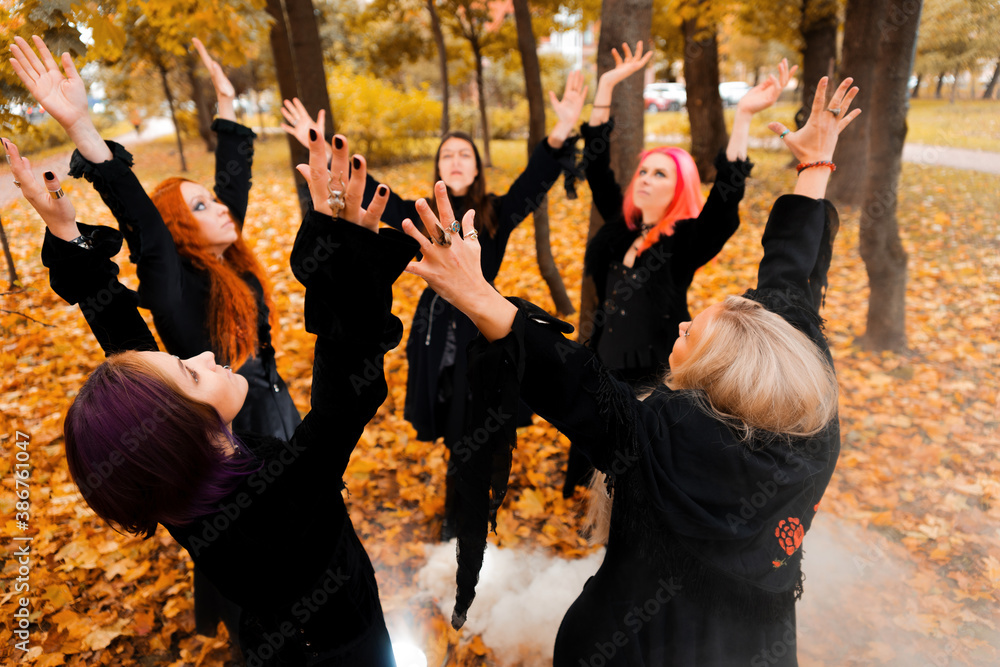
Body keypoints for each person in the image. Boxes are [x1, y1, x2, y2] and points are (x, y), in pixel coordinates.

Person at [402, 76, 859, 666]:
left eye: (697, 333)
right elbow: (790, 285)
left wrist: (479, 296)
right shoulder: (806, 417)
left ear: (721, 372)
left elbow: (570, 383)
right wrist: (814, 166)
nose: (685, 325)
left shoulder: (658, 446)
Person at [6, 119, 418, 664]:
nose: (204, 357)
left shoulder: (181, 484)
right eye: (193, 374)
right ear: (178, 429)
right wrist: (342, 243)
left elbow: (126, 342)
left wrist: (65, 231)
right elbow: (345, 395)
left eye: (183, 360)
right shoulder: (279, 504)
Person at [9, 35, 301, 640]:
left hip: (278, 409)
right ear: (179, 233)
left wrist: (226, 106)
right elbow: (145, 228)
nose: (221, 208)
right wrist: (85, 133)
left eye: (215, 201)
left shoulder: (231, 263)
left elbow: (233, 185)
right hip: (235, 441)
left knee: (303, 526)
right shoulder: (177, 296)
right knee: (263, 583)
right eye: (200, 206)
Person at [280, 76, 587, 540]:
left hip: (483, 329)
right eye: (448, 155)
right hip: (435, 332)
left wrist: (561, 132)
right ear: (439, 168)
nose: (457, 160)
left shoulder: (495, 214)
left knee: (476, 422)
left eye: (466, 154)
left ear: (478, 167)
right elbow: (370, 190)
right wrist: (319, 147)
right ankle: (459, 497)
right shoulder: (417, 212)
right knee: (450, 417)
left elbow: (533, 181)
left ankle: (464, 515)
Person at [564, 44, 796, 496]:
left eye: (660, 174)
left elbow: (726, 202)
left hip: (652, 376)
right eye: (644, 171)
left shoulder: (685, 242)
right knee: (592, 461)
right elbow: (595, 162)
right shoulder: (620, 227)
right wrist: (608, 85)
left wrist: (744, 116)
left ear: (680, 187)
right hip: (601, 366)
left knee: (633, 475)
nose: (646, 178)